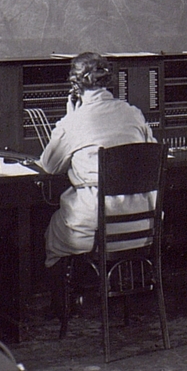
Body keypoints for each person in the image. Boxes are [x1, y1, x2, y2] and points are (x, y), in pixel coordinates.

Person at [41, 52, 156, 268]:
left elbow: (49, 165)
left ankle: (63, 300)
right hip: (142, 227)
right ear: (108, 79)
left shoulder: (74, 121)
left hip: (96, 231)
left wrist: (70, 116)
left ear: (75, 84)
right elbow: (151, 155)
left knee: (53, 231)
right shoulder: (134, 113)